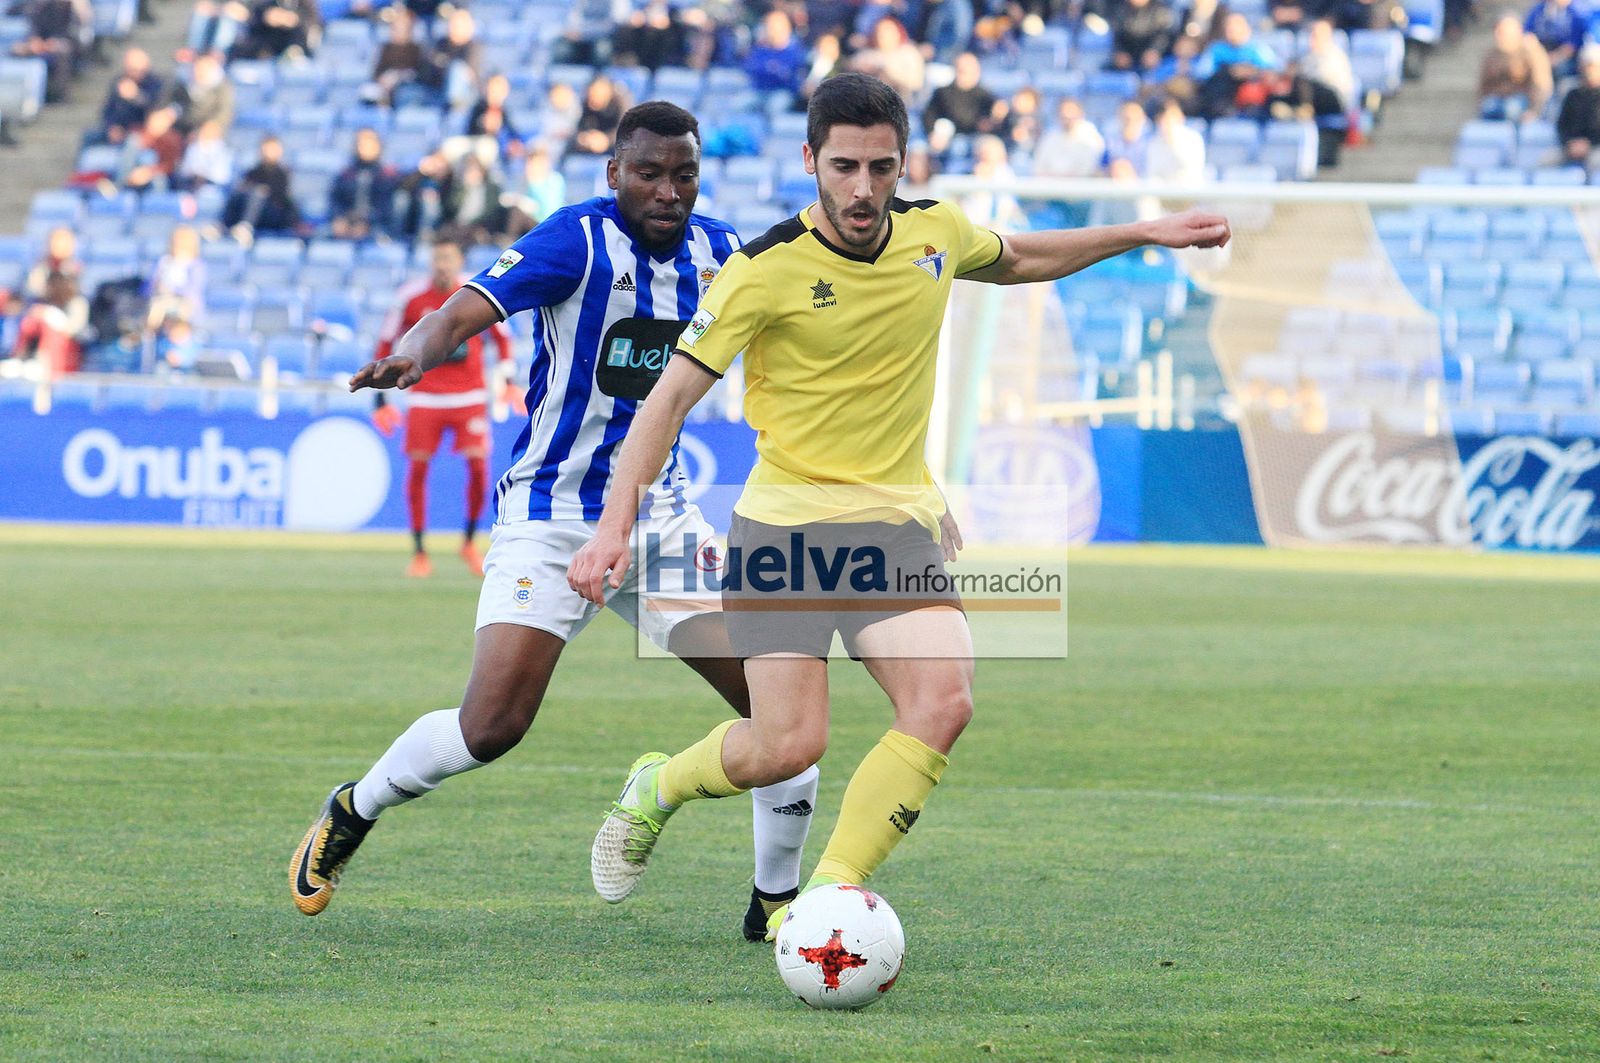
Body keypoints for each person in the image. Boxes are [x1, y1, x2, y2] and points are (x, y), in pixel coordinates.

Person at [569, 73, 1229, 936]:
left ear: (902, 162)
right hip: (786, 527)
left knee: (943, 701)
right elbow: (663, 408)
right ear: (811, 161)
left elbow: (1022, 258)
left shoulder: (935, 233)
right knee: (787, 745)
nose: (863, 188)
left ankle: (829, 895)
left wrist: (1144, 232)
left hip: (893, 524)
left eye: (882, 167)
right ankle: (658, 783)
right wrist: (614, 527)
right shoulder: (759, 271)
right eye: (844, 166)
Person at [288, 102, 823, 944]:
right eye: (649, 172)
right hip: (552, 516)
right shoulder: (573, 239)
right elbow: (465, 309)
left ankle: (775, 903)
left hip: (662, 519)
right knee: (490, 726)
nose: (667, 189)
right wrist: (417, 353)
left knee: (785, 716)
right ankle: (355, 805)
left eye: (683, 174)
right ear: (615, 174)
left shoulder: (723, 253)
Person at [368, 235, 516, 578]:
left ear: (458, 261)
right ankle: (419, 551)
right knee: (418, 470)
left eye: (448, 258)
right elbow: (386, 340)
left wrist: (507, 379)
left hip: (469, 396)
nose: (442, 265)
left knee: (479, 470)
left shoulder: (476, 291)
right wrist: (380, 396)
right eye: (437, 258)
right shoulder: (411, 297)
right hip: (425, 396)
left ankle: (468, 542)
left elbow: (503, 337)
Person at [1478, 12, 1554, 122]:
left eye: (1503, 32)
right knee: (1488, 107)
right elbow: (1484, 83)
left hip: (1523, 98)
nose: (1498, 35)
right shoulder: (1491, 54)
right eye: (1497, 31)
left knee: (1512, 108)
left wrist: (1534, 110)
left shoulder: (1531, 51)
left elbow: (1541, 84)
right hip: (1497, 97)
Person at [222, 133, 302, 238]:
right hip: (254, 211)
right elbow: (243, 190)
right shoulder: (253, 172)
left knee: (258, 193)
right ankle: (222, 226)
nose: (268, 153)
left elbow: (285, 198)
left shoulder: (284, 173)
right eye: (266, 149)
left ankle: (245, 227)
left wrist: (265, 192)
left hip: (275, 214)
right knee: (237, 195)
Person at [329, 128, 399, 240]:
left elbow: (386, 207)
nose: (365, 147)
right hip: (348, 221)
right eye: (361, 144)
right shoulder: (346, 174)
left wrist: (367, 222)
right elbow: (335, 200)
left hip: (377, 226)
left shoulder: (387, 176)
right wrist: (339, 218)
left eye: (370, 143)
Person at [1034, 98, 1107, 178]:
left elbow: (1088, 169)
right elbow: (1039, 166)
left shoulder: (1092, 138)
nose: (1067, 115)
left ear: (1081, 113)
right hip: (1051, 186)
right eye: (1063, 112)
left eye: (1071, 112)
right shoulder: (1050, 137)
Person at [1556, 45, 1600, 168]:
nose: (1589, 71)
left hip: (1597, 147)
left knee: (1596, 163)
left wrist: (1590, 143)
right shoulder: (1573, 94)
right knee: (1546, 163)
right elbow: (1562, 125)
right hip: (1571, 146)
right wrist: (1570, 143)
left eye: (1593, 67)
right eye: (1586, 66)